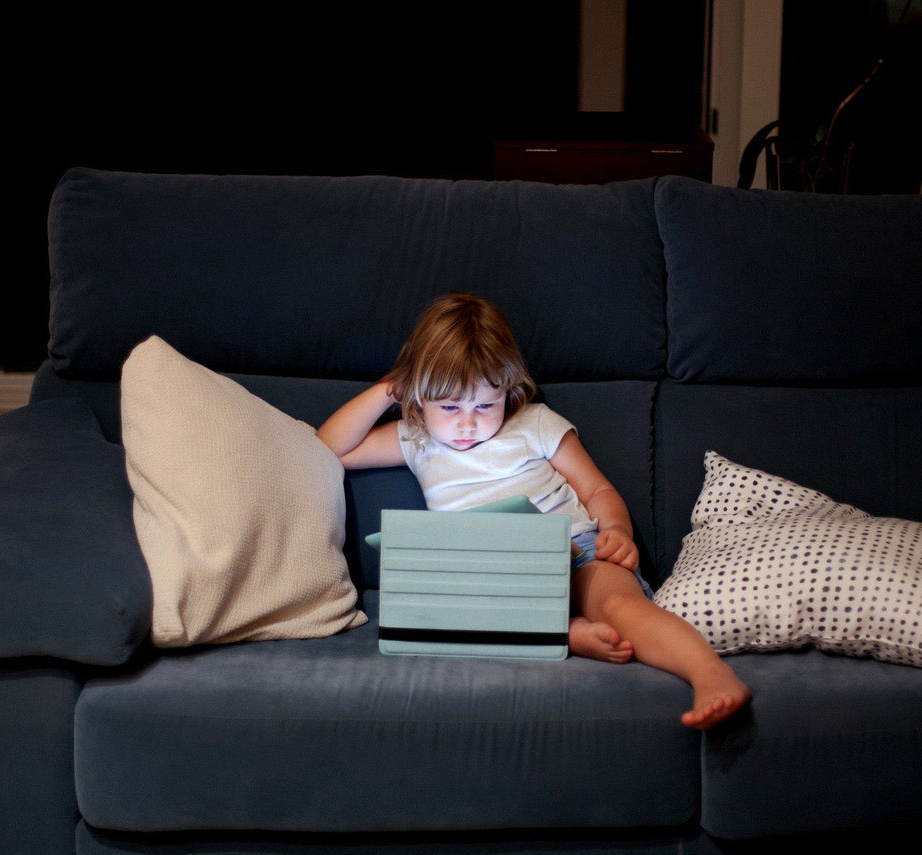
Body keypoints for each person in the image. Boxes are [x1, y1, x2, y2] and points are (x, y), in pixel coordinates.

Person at [316, 292, 750, 730]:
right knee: (438, 609)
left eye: (485, 404)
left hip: (573, 548)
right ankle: (565, 633)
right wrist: (392, 387)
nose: (467, 423)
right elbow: (328, 448)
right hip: (488, 573)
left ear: (507, 389)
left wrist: (617, 530)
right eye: (449, 407)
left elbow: (596, 488)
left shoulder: (535, 423)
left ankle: (710, 673)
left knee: (621, 605)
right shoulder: (417, 438)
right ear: (420, 397)